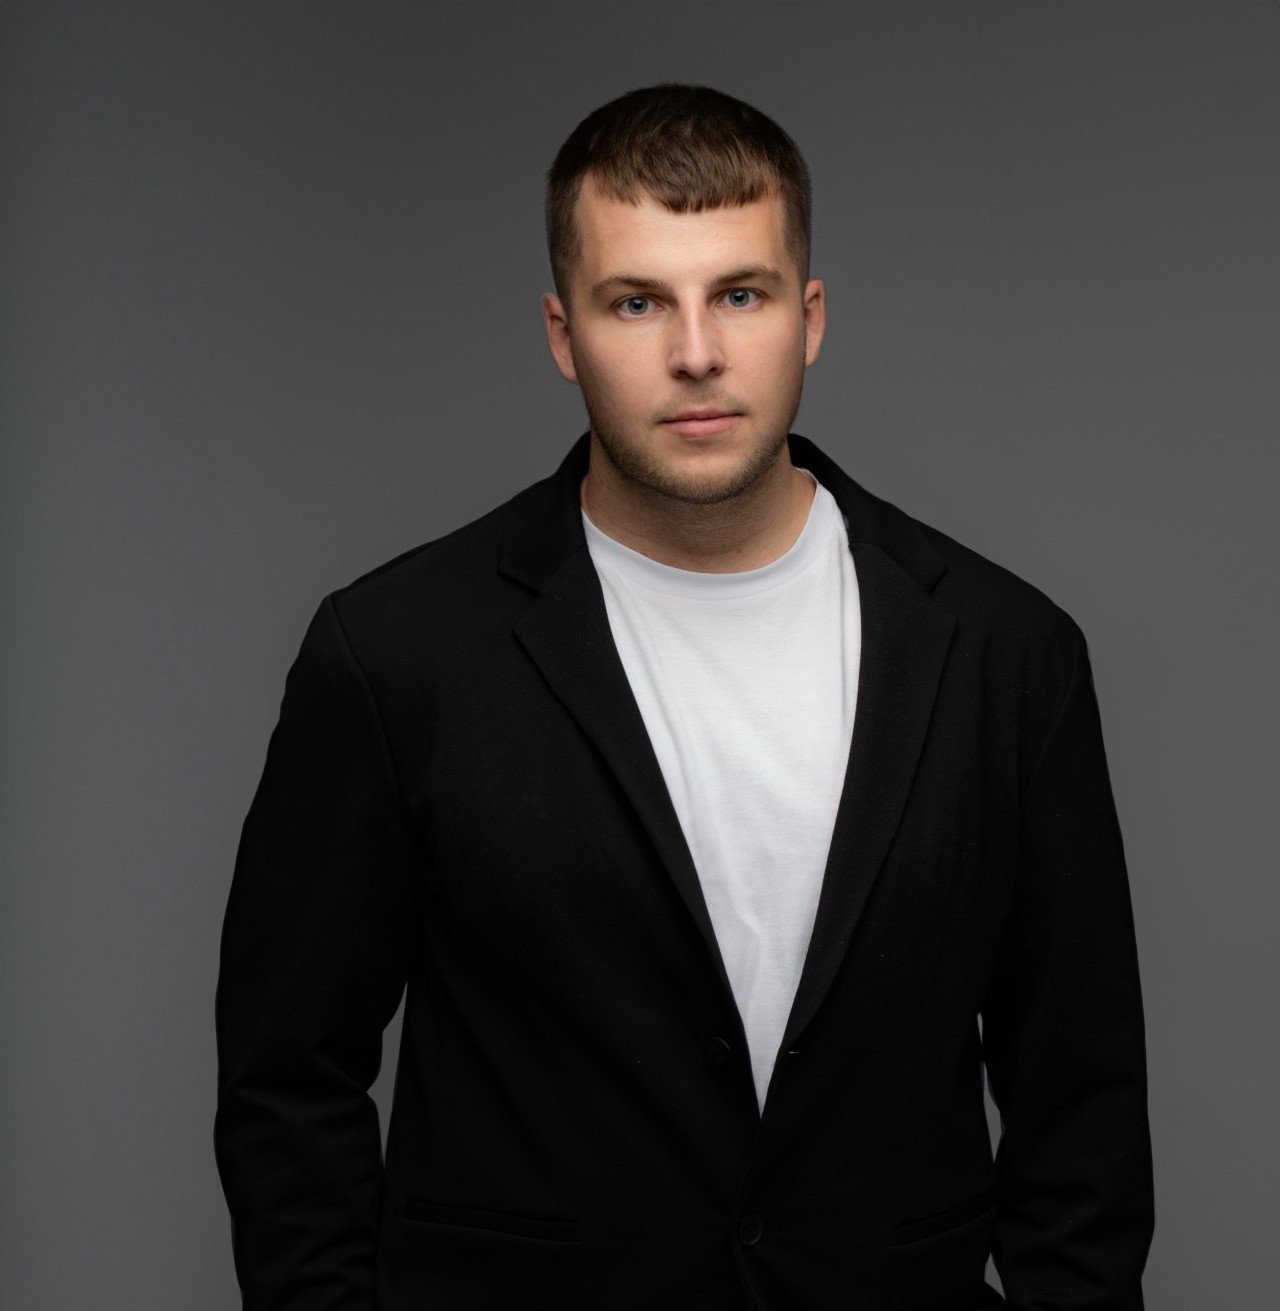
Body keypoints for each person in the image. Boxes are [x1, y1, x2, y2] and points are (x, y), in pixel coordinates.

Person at [213, 83, 1155, 1310]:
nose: (695, 352)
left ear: (807, 319)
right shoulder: (397, 653)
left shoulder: (1004, 652)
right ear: (562, 334)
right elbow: (288, 1081)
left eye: (740, 295)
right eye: (636, 301)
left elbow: (1077, 1097)